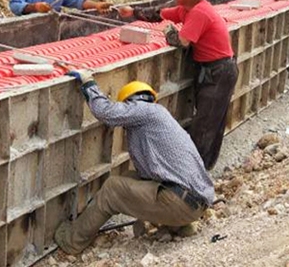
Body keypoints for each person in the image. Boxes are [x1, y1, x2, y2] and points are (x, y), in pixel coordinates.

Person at [54, 71, 214, 255]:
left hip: (179, 204)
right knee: (130, 178)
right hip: (196, 204)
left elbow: (106, 112)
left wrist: (88, 84)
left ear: (131, 103)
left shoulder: (144, 111)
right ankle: (181, 226)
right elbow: (148, 175)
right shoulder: (159, 119)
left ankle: (72, 241)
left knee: (112, 190)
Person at [117, 0, 238, 170]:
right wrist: (133, 12)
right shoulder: (188, 9)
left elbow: (182, 41)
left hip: (219, 72)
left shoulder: (199, 13)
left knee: (205, 125)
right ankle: (203, 167)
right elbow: (160, 14)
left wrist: (170, 33)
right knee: (210, 121)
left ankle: (193, 173)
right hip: (213, 70)